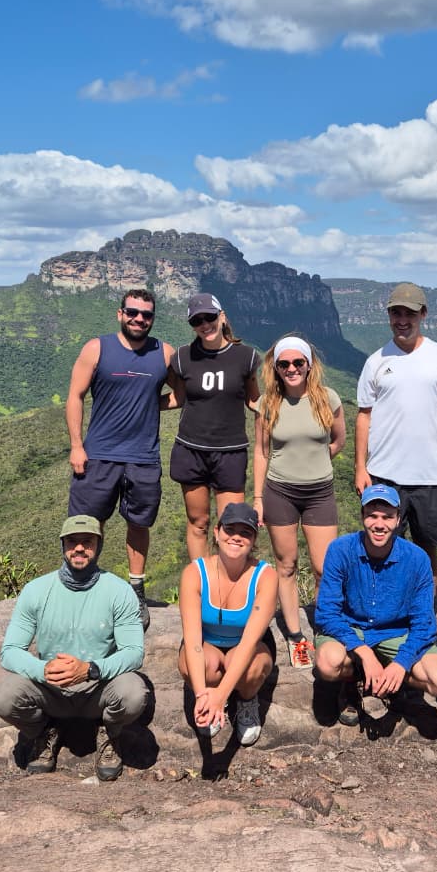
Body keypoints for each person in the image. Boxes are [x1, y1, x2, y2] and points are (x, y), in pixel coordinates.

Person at [0, 515, 148, 782]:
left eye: (87, 542)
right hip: (51, 688)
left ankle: (109, 732)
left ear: (99, 545)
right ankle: (43, 731)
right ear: (62, 545)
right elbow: (10, 650)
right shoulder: (36, 590)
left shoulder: (119, 591)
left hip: (98, 689)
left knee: (133, 693)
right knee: (5, 697)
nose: (79, 548)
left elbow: (133, 651)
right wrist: (43, 670)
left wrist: (91, 669)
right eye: (72, 541)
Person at [66, 289, 182, 630]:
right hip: (98, 454)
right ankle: (82, 585)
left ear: (153, 318)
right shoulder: (97, 348)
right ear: (120, 314)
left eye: (146, 314)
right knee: (87, 524)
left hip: (143, 457)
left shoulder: (164, 353)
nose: (139, 319)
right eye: (132, 312)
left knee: (139, 524)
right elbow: (75, 396)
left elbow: (181, 395)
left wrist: (150, 404)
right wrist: (76, 445)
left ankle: (136, 591)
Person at [353, 282, 437, 587]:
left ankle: (425, 605)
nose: (402, 320)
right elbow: (364, 416)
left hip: (430, 474)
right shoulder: (375, 361)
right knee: (381, 543)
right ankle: (384, 603)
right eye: (396, 313)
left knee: (426, 546)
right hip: (385, 473)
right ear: (389, 316)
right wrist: (360, 468)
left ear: (423, 314)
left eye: (409, 313)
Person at [314, 484, 437, 725]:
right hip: (352, 627)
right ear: (363, 517)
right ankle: (354, 678)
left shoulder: (417, 558)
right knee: (328, 663)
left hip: (396, 631)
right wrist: (364, 652)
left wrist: (401, 663)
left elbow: (424, 622)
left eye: (387, 517)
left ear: (398, 520)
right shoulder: (341, 550)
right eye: (373, 516)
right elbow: (327, 613)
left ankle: (390, 679)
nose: (379, 524)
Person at [252, 335, 345, 669]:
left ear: (309, 365)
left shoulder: (328, 398)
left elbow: (339, 440)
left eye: (297, 362)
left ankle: (325, 629)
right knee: (286, 565)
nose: (291, 369)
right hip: (280, 492)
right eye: (284, 364)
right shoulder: (267, 403)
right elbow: (261, 452)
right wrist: (258, 498)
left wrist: (315, 460)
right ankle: (295, 636)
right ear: (275, 368)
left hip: (320, 492)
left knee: (324, 568)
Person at [177, 502, 278, 746]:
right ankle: (207, 696)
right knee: (198, 665)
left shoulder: (265, 576)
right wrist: (201, 695)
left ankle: (246, 698)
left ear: (254, 540)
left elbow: (249, 642)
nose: (236, 537)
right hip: (207, 641)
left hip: (248, 644)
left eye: (245, 532)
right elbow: (193, 641)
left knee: (247, 668)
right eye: (229, 529)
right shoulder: (195, 573)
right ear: (217, 532)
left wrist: (221, 696)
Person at [169, 292, 260, 561]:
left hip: (230, 451)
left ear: (222, 317)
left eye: (209, 317)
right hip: (191, 449)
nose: (204, 324)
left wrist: (295, 405)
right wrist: (138, 402)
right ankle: (201, 579)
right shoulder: (182, 357)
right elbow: (177, 398)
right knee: (198, 523)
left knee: (232, 526)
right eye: (197, 321)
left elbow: (254, 400)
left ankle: (228, 581)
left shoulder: (246, 357)